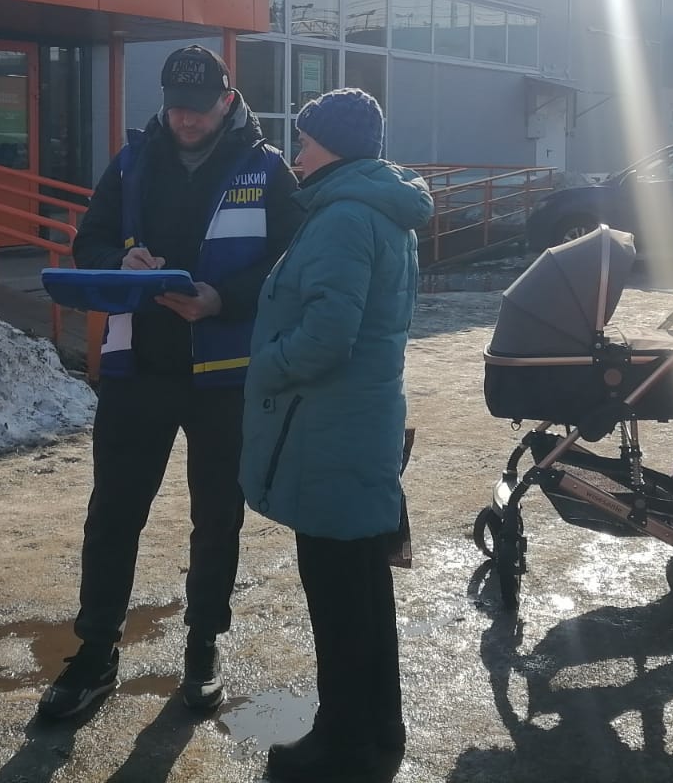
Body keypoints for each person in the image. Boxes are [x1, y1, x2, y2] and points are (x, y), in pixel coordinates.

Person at [38, 45, 301, 720]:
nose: (185, 120)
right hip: (138, 370)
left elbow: (291, 264)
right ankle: (96, 650)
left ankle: (204, 645)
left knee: (217, 518)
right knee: (113, 513)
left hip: (225, 379)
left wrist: (223, 300)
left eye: (198, 108)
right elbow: (90, 243)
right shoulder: (131, 162)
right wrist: (121, 260)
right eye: (175, 107)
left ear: (227, 100)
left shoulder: (267, 168)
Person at [239, 88, 432, 783]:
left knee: (338, 594)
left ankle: (342, 746)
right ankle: (377, 730)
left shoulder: (344, 215)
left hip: (328, 430)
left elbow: (327, 335)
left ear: (337, 147)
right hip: (357, 424)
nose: (297, 155)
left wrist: (265, 363)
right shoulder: (379, 208)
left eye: (306, 141)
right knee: (363, 587)